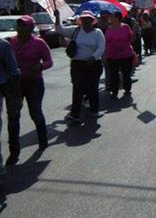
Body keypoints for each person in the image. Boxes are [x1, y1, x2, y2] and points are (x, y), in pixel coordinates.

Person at [9, 15, 53, 160]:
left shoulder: (39, 43)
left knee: (35, 113)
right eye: (19, 25)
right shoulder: (10, 42)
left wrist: (40, 66)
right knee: (14, 115)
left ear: (31, 28)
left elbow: (49, 61)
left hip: (34, 82)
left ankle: (42, 139)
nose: (20, 28)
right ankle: (14, 152)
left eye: (24, 25)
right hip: (15, 84)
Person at [56, 10, 105, 121]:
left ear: (92, 21)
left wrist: (93, 57)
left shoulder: (98, 33)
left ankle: (94, 110)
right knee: (78, 88)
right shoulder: (76, 30)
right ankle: (75, 113)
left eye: (88, 19)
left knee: (92, 88)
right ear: (81, 21)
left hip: (93, 64)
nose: (86, 21)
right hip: (78, 64)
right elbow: (59, 30)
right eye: (84, 19)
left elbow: (101, 47)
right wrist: (57, 17)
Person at [0, 38, 21, 167]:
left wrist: (17, 95)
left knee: (13, 118)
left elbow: (14, 70)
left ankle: (14, 150)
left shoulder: (3, 45)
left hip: (5, 86)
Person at [104, 11, 135, 98]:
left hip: (125, 54)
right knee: (113, 74)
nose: (110, 18)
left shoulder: (125, 27)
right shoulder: (108, 28)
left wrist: (135, 32)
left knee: (126, 73)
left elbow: (131, 39)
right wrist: (104, 54)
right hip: (112, 55)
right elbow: (105, 42)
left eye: (112, 16)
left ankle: (127, 88)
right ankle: (114, 91)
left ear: (117, 17)